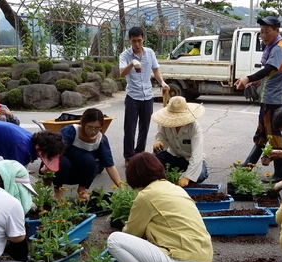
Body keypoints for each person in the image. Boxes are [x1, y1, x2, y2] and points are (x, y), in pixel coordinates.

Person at [107, 152, 212, 262]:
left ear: (134, 177)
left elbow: (131, 233)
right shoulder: (174, 188)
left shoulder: (146, 195)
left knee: (115, 240)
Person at [233, 16, 282, 181]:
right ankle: (248, 165)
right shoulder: (274, 47)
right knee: (262, 134)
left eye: (267, 31)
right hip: (269, 99)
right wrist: (256, 83)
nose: (264, 35)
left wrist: (248, 78)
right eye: (262, 32)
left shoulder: (280, 47)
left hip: (275, 101)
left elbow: (269, 69)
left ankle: (280, 174)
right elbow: (272, 73)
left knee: (274, 136)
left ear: (277, 31)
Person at [119, 26, 170, 166]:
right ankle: (129, 157)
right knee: (129, 128)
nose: (137, 44)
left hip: (148, 96)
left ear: (143, 39)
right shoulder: (124, 56)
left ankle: (139, 154)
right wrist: (131, 64)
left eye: (139, 41)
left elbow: (156, 70)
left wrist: (162, 82)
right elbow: (121, 73)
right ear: (129, 40)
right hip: (132, 96)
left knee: (144, 127)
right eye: (134, 41)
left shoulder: (150, 53)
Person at [52, 108, 123, 200]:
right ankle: (57, 191)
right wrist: (45, 170)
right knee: (62, 161)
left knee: (89, 160)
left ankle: (82, 189)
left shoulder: (101, 139)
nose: (93, 131)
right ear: (83, 123)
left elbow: (109, 165)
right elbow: (54, 151)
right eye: (89, 127)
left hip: (78, 174)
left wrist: (122, 189)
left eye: (97, 128)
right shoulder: (71, 131)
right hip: (61, 171)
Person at [151, 96, 208, 187]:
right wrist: (159, 142)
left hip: (190, 160)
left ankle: (176, 177)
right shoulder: (164, 123)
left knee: (201, 175)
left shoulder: (194, 127)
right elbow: (161, 138)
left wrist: (187, 178)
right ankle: (171, 177)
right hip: (173, 157)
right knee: (152, 160)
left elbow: (197, 155)